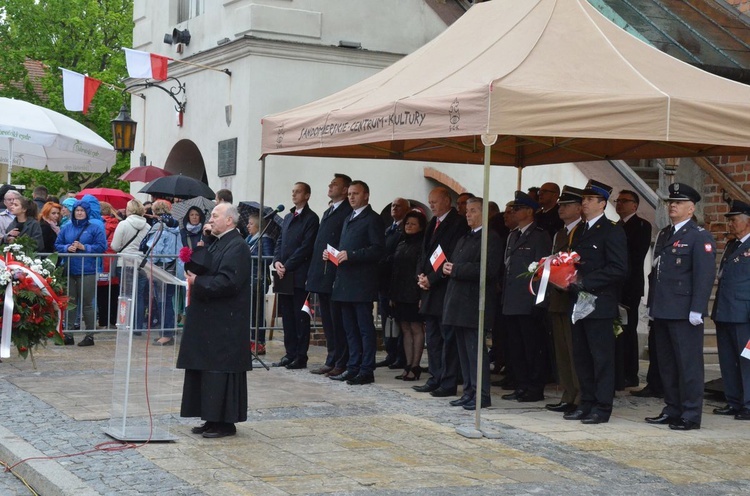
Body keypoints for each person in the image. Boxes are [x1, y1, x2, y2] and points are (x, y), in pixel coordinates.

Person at [177, 203, 253, 439]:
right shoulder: (219, 241)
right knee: (207, 368)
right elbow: (207, 265)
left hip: (225, 320)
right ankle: (210, 418)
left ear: (229, 221)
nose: (210, 219)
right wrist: (206, 239)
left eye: (215, 216)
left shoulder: (237, 246)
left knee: (220, 370)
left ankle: (224, 422)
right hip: (210, 318)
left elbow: (229, 281)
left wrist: (197, 283)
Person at [645, 183, 716, 431]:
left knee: (688, 365)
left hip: (685, 311)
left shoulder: (699, 236)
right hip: (663, 309)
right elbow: (657, 272)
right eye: (670, 202)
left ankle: (691, 413)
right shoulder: (666, 234)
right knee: (667, 364)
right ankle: (672, 408)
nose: (672, 205)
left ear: (691, 208)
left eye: (678, 202)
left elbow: (705, 275)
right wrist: (651, 305)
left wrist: (697, 308)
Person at [563, 180, 628, 425]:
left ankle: (602, 407)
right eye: (583, 199)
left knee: (601, 358)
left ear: (602, 203)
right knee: (582, 356)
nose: (584, 203)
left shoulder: (611, 230)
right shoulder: (579, 231)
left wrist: (586, 280)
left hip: (599, 304)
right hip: (578, 303)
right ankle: (586, 402)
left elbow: (619, 269)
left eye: (590, 199)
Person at [443, 198, 501, 410]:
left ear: (485, 214)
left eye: (474, 211)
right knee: (464, 352)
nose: (468, 214)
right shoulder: (465, 238)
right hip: (458, 301)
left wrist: (456, 269)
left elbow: (489, 269)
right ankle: (469, 390)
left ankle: (481, 394)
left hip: (474, 302)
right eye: (467, 211)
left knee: (476, 351)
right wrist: (449, 268)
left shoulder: (490, 238)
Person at [413, 187, 469, 397]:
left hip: (444, 288)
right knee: (434, 337)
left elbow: (451, 256)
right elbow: (424, 252)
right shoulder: (432, 223)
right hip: (428, 289)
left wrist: (432, 278)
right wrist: (420, 275)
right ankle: (435, 377)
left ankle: (448, 380)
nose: (432, 206)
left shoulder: (457, 223)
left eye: (435, 202)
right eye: (430, 202)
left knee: (448, 338)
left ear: (447, 201)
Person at [328, 180, 384, 385]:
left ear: (366, 196)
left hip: (361, 283)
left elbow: (378, 249)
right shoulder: (348, 218)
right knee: (349, 328)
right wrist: (334, 255)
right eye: (349, 194)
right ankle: (353, 366)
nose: (351, 197)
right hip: (345, 282)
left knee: (364, 328)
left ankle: (366, 368)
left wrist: (351, 255)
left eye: (355, 194)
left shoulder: (373, 219)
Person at [501, 191, 552, 403]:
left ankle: (534, 386)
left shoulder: (540, 236)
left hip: (528, 300)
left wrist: (538, 301)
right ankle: (521, 384)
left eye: (518, 208)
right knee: (516, 347)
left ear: (529, 211)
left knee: (531, 347)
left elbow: (542, 271)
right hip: (512, 300)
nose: (513, 212)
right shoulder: (513, 235)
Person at [306, 174, 352, 376]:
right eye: (330, 183)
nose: (330, 186)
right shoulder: (328, 211)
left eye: (335, 185)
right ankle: (331, 357)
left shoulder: (346, 212)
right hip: (322, 273)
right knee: (328, 320)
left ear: (344, 190)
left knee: (337, 320)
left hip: (335, 273)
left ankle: (341, 359)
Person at [544, 186, 584, 414]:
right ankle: (568, 393)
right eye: (560, 205)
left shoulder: (582, 232)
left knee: (573, 348)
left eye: (566, 205)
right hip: (558, 297)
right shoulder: (560, 233)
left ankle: (579, 396)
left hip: (574, 298)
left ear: (579, 208)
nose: (561, 208)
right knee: (562, 350)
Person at [272, 182, 319, 369]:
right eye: (292, 191)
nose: (294, 194)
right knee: (288, 317)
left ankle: (301, 355)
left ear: (307, 195)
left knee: (300, 317)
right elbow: (280, 241)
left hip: (299, 274)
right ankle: (289, 353)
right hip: (283, 274)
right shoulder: (288, 216)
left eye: (298, 192)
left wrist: (288, 265)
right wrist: (277, 261)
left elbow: (306, 247)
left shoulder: (311, 218)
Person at [711, 199, 750, 421]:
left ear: (747, 221)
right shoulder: (731, 245)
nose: (731, 224)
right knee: (727, 360)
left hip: (744, 314)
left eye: (734, 220)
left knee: (747, 361)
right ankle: (734, 401)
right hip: (725, 311)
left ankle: (748, 403)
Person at [614, 190, 652, 390]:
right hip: (614, 286)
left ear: (634, 206)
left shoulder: (641, 225)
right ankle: (618, 371)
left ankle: (630, 373)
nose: (619, 204)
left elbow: (635, 256)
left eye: (624, 201)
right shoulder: (615, 226)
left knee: (628, 329)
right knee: (616, 331)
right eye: (617, 201)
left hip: (629, 286)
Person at [55, 201, 108, 346]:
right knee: (70, 303)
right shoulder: (67, 228)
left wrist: (85, 247)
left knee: (87, 304)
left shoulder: (95, 228)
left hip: (87, 270)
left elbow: (102, 246)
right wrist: (67, 248)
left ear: (87, 212)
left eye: (82, 210)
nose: (79, 213)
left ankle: (89, 336)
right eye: (77, 210)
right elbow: (57, 244)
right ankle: (69, 334)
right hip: (70, 270)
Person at [388, 210, 426, 381]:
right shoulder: (401, 243)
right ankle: (408, 364)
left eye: (413, 224)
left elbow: (420, 269)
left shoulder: (422, 245)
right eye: (408, 223)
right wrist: (392, 293)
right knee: (404, 328)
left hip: (414, 291)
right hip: (399, 292)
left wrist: (420, 295)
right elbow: (395, 270)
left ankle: (416, 365)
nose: (409, 226)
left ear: (421, 227)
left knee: (416, 328)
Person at [376, 197, 409, 369]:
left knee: (398, 321)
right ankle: (391, 353)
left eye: (398, 206)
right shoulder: (389, 228)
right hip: (384, 282)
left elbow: (397, 256)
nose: (394, 208)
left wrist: (382, 262)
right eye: (393, 206)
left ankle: (400, 355)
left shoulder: (405, 229)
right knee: (387, 320)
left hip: (396, 282)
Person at [142, 200, 181, 346]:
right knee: (166, 300)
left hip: (162, 267)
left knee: (163, 301)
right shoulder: (175, 227)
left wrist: (149, 263)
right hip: (172, 266)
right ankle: (167, 332)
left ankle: (166, 334)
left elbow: (156, 250)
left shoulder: (160, 227)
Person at [246, 213, 274, 355]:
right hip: (248, 279)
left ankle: (259, 342)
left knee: (257, 311)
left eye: (251, 223)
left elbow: (268, 259)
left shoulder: (265, 240)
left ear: (258, 225)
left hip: (259, 279)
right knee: (250, 312)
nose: (248, 226)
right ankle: (250, 340)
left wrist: (254, 257)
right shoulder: (250, 239)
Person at [96, 202, 121, 329]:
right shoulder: (118, 224)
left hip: (102, 261)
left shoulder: (99, 225)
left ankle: (103, 321)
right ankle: (113, 320)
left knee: (102, 293)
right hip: (115, 261)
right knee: (115, 293)